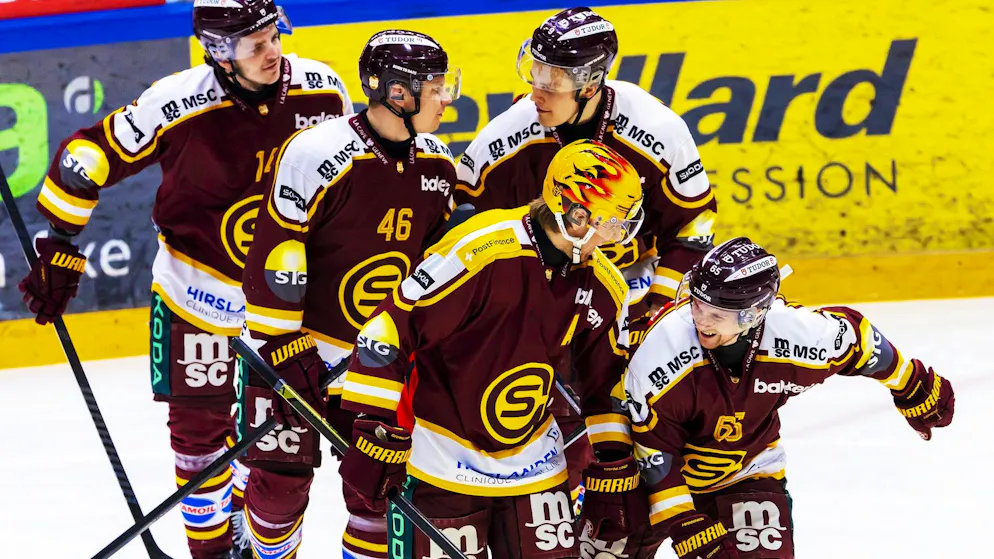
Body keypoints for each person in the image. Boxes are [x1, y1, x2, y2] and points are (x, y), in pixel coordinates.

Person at [16, 1, 352, 557]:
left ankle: (253, 537)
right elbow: (90, 152)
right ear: (219, 54)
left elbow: (346, 182)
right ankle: (209, 549)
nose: (273, 53)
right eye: (255, 45)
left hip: (284, 311)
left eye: (274, 37)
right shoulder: (177, 101)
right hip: (197, 295)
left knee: (272, 446)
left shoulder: (322, 91)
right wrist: (59, 243)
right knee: (198, 441)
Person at [339, 139, 647, 559]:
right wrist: (374, 424)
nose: (619, 235)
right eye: (613, 222)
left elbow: (606, 382)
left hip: (535, 460)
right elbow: (391, 327)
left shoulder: (604, 285)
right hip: (442, 458)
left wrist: (613, 460)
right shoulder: (479, 250)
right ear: (575, 215)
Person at [238, 29, 460, 559]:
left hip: (376, 367)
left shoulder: (439, 163)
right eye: (436, 87)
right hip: (290, 352)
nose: (448, 98)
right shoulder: (317, 152)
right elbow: (276, 257)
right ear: (398, 93)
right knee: (278, 490)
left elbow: (435, 270)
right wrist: (284, 351)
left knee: (376, 496)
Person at [622, 237, 956, 559]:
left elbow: (858, 341)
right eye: (696, 303)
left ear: (752, 315)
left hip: (745, 470)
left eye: (716, 314)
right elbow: (654, 451)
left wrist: (909, 383)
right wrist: (683, 523)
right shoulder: (662, 353)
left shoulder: (796, 337)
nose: (699, 319)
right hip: (641, 478)